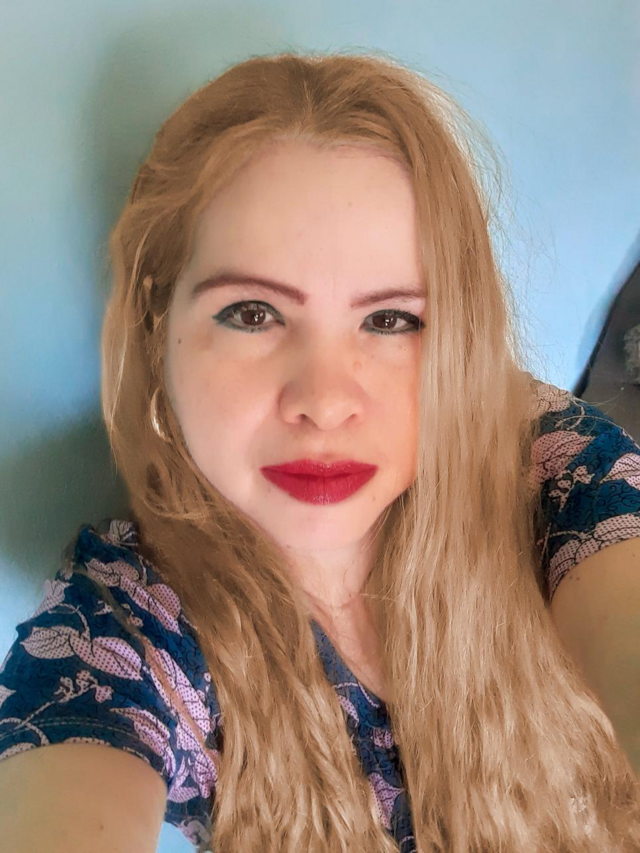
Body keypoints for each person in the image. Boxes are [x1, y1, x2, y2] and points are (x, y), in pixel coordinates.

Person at [1, 49, 640, 853]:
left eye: (391, 320)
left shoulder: (545, 460)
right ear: (158, 330)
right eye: (252, 313)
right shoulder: (125, 624)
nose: (326, 400)